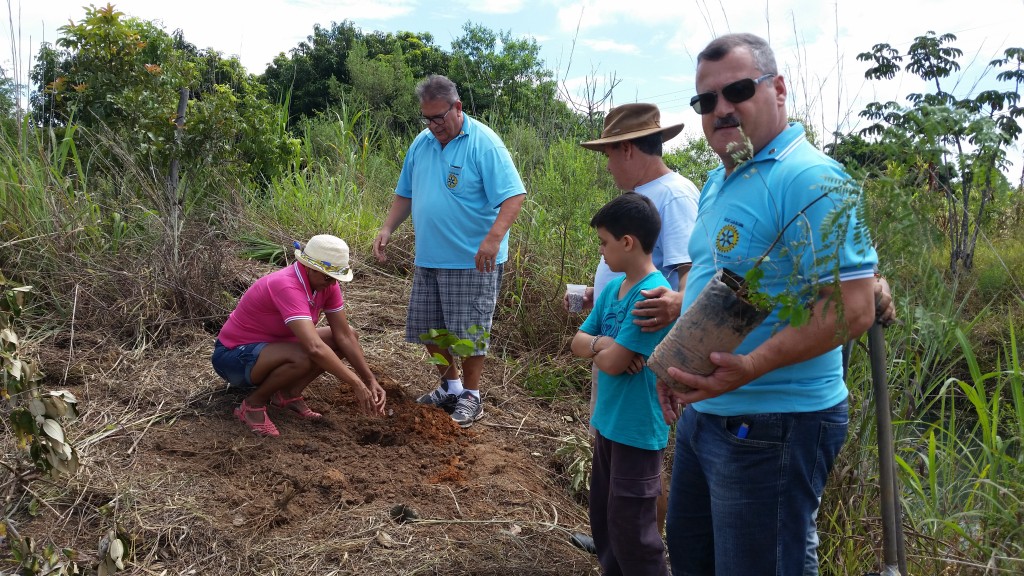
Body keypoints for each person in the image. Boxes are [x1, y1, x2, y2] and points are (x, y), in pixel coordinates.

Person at [657, 33, 879, 575]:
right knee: (692, 558)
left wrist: (751, 365)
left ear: (778, 89)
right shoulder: (720, 179)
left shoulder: (812, 178)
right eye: (706, 100)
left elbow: (853, 308)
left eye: (737, 90)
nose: (721, 109)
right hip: (706, 415)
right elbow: (724, 284)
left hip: (774, 424)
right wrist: (676, 366)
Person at [565, 103, 700, 554]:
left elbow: (689, 275)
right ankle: (616, 540)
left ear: (627, 149)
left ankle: (642, 544)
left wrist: (672, 321)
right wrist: (601, 299)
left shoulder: (674, 195)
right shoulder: (642, 196)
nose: (607, 165)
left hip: (639, 354)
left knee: (639, 463)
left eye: (608, 154)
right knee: (612, 450)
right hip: (616, 335)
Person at [372, 74, 526, 428]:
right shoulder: (422, 143)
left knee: (470, 332)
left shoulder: (484, 143)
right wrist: (387, 227)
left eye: (439, 117)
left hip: (472, 259)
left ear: (458, 107)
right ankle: (450, 386)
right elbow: (405, 193)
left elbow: (514, 195)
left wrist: (493, 238)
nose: (433, 126)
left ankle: (471, 396)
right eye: (426, 118)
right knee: (430, 328)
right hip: (430, 255)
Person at [570, 193, 674, 576]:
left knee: (633, 528)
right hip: (609, 422)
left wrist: (599, 349)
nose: (601, 251)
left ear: (627, 242)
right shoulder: (614, 290)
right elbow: (577, 343)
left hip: (637, 428)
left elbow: (612, 364)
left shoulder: (651, 297)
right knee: (605, 517)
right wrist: (605, 344)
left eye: (604, 242)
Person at [211, 234, 386, 437]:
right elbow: (314, 347)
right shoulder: (286, 285)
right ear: (310, 268)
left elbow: (344, 335)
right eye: (328, 277)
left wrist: (369, 379)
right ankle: (252, 405)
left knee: (347, 337)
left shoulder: (326, 285)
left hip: (273, 348)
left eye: (335, 278)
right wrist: (356, 383)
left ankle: (287, 394)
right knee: (304, 356)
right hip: (233, 357)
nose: (332, 283)